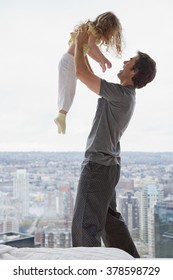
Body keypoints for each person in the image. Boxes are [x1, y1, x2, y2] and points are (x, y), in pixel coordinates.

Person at [71, 29, 157, 258]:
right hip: (108, 166)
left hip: (98, 165)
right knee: (110, 223)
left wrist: (80, 43)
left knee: (84, 226)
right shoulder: (123, 95)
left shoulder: (120, 95)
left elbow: (80, 72)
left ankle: (84, 270)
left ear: (134, 71)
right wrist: (85, 51)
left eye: (130, 61)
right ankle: (133, 265)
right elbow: (86, 72)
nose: (125, 61)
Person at [54, 11, 123, 134]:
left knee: (69, 89)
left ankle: (62, 116)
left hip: (71, 62)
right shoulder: (91, 30)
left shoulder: (90, 32)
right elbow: (91, 46)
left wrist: (99, 61)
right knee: (67, 89)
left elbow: (88, 51)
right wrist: (103, 59)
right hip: (69, 61)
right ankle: (61, 116)